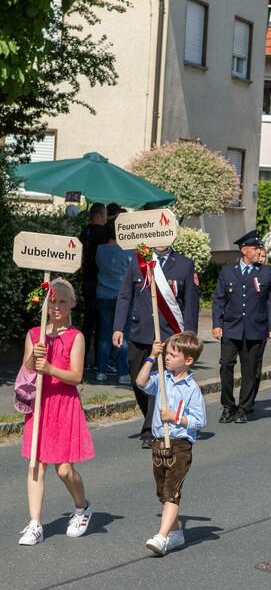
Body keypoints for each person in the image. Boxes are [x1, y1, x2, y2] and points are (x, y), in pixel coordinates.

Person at [18, 279, 94, 546]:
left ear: (72, 303)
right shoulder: (34, 334)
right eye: (53, 301)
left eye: (63, 301)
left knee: (64, 470)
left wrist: (50, 368)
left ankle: (82, 506)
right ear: (46, 304)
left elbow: (75, 375)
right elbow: (27, 369)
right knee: (36, 465)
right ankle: (35, 523)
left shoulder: (76, 336)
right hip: (39, 405)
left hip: (64, 405)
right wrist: (34, 357)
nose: (57, 306)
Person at [114, 243, 200, 449]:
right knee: (139, 381)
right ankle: (150, 419)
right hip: (140, 330)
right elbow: (126, 294)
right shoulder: (139, 261)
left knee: (159, 381)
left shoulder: (184, 264)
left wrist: (189, 336)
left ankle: (149, 429)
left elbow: (190, 302)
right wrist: (118, 327)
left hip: (169, 333)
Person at [135, 332, 206, 556]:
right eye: (166, 354)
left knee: (172, 492)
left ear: (188, 361)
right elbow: (141, 382)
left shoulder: (192, 388)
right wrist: (151, 357)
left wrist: (175, 417)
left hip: (180, 445)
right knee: (162, 492)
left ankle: (162, 536)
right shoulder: (162, 379)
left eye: (172, 355)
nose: (167, 358)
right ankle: (175, 533)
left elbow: (200, 420)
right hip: (159, 443)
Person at [213, 231, 271, 423]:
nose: (259, 252)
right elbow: (219, 300)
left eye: (259, 248)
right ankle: (228, 405)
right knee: (226, 366)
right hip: (231, 327)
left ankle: (244, 408)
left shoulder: (265, 271)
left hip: (255, 329)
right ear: (244, 250)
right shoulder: (228, 271)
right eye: (255, 248)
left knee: (249, 370)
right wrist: (216, 324)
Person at [95, 219, 132, 384]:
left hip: (103, 294)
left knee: (104, 333)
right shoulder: (127, 250)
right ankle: (122, 373)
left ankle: (101, 371)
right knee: (122, 334)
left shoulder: (100, 249)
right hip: (122, 297)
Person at [79, 202, 108, 367]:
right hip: (99, 281)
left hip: (86, 280)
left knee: (88, 322)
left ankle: (82, 359)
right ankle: (98, 360)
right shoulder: (103, 233)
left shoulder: (84, 231)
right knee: (101, 322)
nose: (105, 218)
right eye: (104, 215)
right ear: (99, 216)